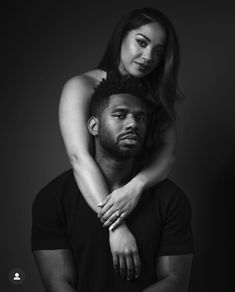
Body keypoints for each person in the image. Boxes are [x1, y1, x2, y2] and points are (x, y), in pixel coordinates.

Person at [31, 76, 194, 292]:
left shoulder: (170, 199)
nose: (132, 124)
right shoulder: (53, 199)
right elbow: (58, 282)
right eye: (120, 115)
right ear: (94, 126)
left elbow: (175, 282)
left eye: (140, 118)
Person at [59, 7, 180, 232]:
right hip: (94, 202)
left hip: (144, 206)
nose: (148, 57)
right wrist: (117, 226)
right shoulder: (81, 87)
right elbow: (79, 157)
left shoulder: (157, 98)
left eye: (159, 52)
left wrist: (135, 187)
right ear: (122, 35)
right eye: (142, 43)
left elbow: (167, 156)